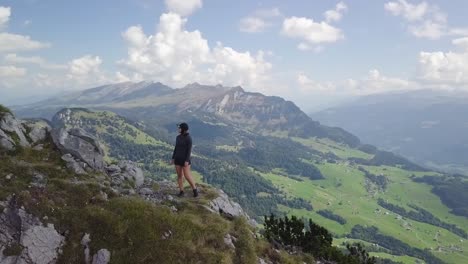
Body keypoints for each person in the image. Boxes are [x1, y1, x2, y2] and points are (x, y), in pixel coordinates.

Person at [171, 122, 198, 197]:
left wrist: (186, 160)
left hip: (185, 160)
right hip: (177, 159)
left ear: (183, 129)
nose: (178, 129)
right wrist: (173, 158)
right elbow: (176, 148)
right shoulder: (178, 137)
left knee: (187, 176)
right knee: (179, 176)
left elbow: (189, 150)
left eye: (179, 128)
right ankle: (181, 191)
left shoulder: (188, 138)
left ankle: (195, 190)